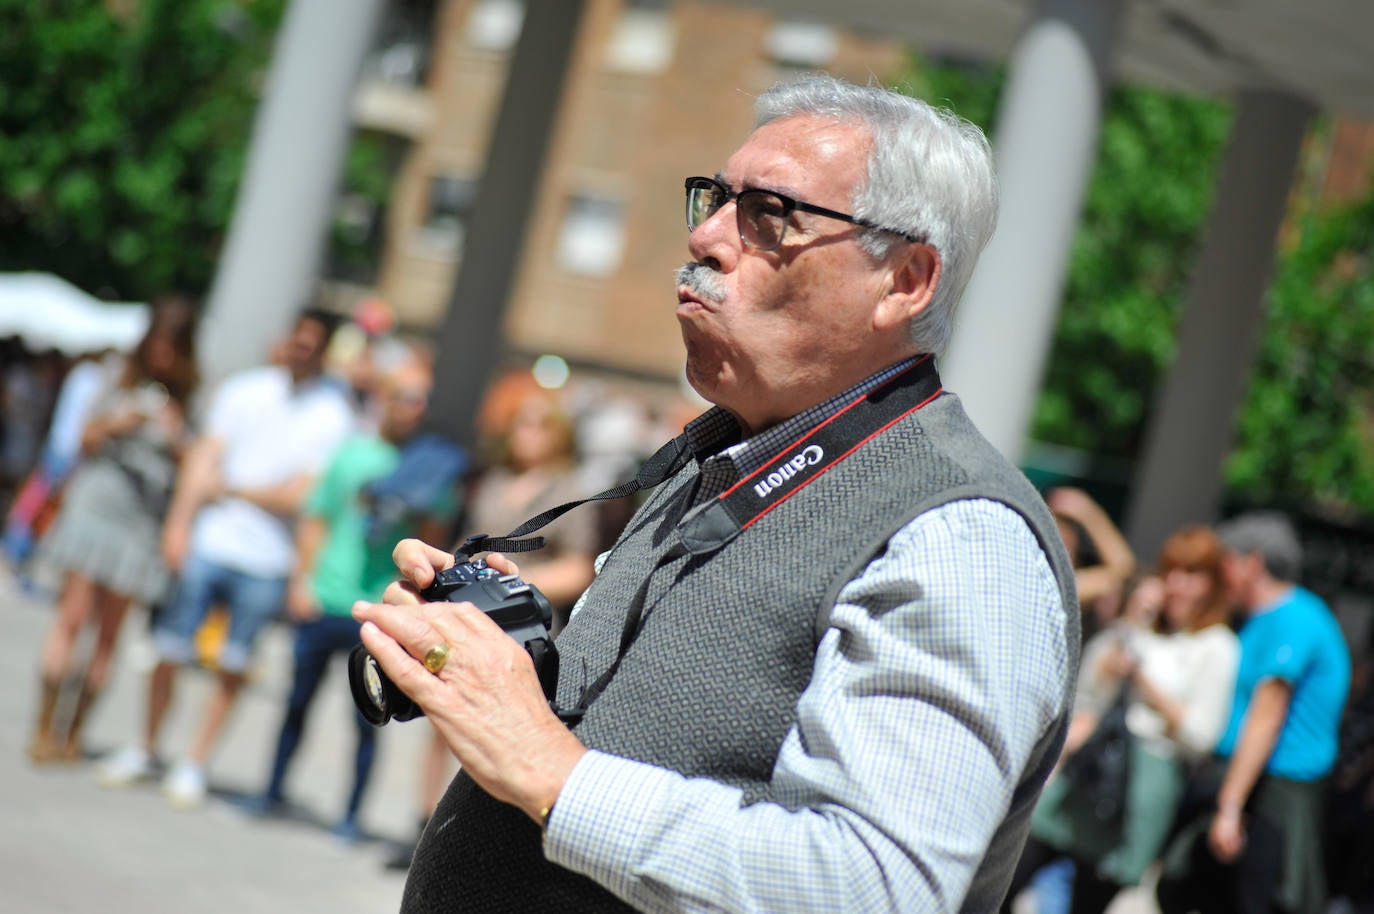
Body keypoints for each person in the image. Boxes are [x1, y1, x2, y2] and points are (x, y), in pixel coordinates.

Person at [353, 73, 1079, 913]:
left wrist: (552, 771)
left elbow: (875, 887)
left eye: (769, 213)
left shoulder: (961, 535)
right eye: (716, 199)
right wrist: (510, 656)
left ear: (906, 280)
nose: (708, 237)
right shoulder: (727, 447)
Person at [97, 308, 356, 808]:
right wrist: (179, 523)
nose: (299, 348)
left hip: (267, 558)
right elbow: (203, 459)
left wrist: (232, 488)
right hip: (211, 541)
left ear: (324, 350)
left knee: (234, 664)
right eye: (295, 337)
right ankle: (146, 747)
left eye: (311, 342)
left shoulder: (334, 413)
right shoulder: (245, 389)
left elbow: (303, 494)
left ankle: (193, 761)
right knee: (168, 649)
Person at [243, 346, 458, 840]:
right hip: (325, 597)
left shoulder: (431, 466)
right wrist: (302, 581)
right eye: (406, 396)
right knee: (297, 702)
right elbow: (316, 518)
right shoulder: (351, 453)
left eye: (423, 399)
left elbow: (433, 538)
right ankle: (271, 790)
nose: (415, 408)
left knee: (370, 715)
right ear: (383, 399)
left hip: (381, 610)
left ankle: (351, 816)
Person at [383, 380, 597, 870]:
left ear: (559, 433)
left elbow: (579, 567)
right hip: (466, 618)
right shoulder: (494, 480)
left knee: (498, 726)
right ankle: (425, 824)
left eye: (540, 423)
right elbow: (465, 543)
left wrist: (516, 586)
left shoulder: (571, 490)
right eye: (521, 420)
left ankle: (475, 835)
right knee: (439, 717)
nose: (528, 432)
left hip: (523, 626)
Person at [1006, 526, 1240, 914]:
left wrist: (1143, 681)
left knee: (1090, 901)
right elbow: (1090, 693)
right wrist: (1130, 627)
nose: (1178, 585)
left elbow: (1200, 736)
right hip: (1090, 770)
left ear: (1213, 585)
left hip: (1144, 783)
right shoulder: (1149, 628)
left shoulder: (1218, 646)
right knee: (1015, 867)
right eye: (1172, 572)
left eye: (1192, 575)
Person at [26, 297, 200, 763]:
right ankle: (44, 727)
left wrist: (176, 436)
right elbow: (77, 439)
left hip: (142, 521)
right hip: (96, 505)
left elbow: (196, 469)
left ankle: (73, 731)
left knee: (108, 633)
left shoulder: (190, 399)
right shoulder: (115, 376)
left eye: (172, 348)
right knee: (71, 617)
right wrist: (116, 422)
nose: (163, 356)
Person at [1156, 511, 1352, 914]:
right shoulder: (1258, 622)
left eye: (1225, 563)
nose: (1221, 576)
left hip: (1275, 795)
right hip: (1243, 783)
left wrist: (1230, 806)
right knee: (1180, 890)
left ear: (1252, 563)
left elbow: (1268, 713)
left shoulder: (1297, 617)